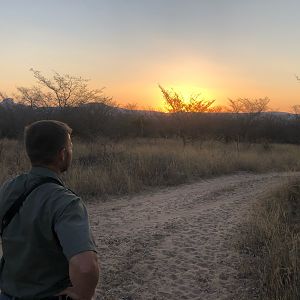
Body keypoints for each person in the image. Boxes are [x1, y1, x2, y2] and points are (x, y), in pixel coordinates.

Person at [0, 120, 99, 300]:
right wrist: (82, 294)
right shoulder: (66, 202)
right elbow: (86, 267)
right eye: (70, 146)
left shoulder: (8, 188)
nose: (71, 151)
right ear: (62, 154)